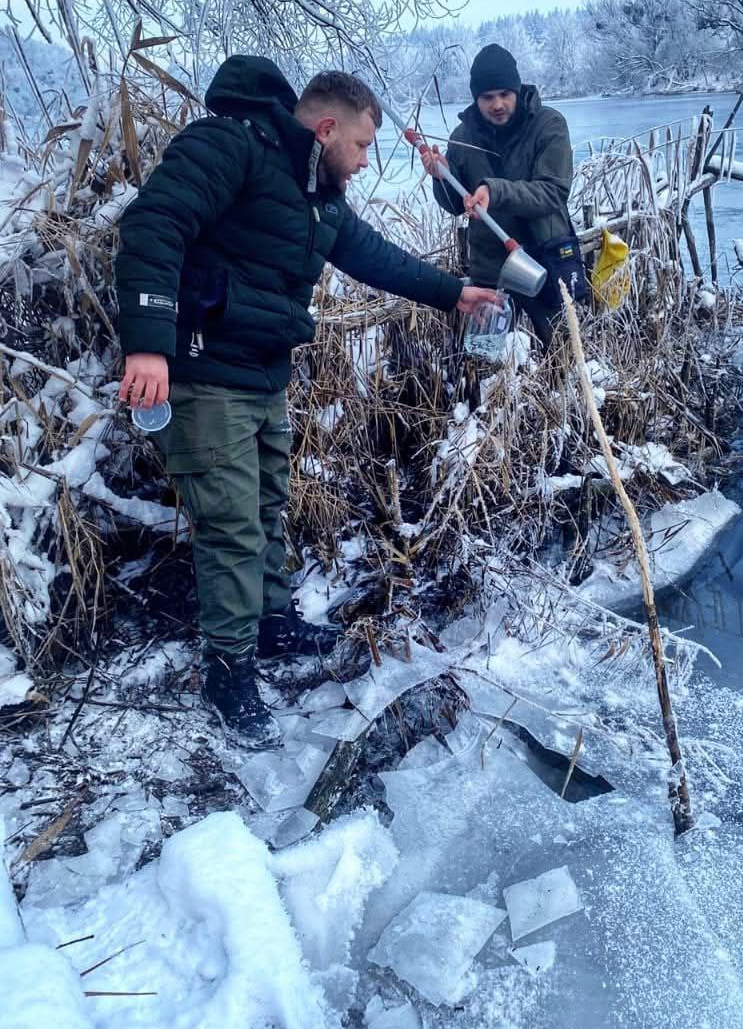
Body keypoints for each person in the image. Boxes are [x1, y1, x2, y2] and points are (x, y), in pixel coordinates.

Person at [115, 58, 495, 749]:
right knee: (229, 524)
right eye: (361, 147)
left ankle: (269, 621)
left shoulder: (315, 190)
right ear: (326, 129)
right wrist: (146, 343)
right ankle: (227, 674)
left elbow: (373, 255)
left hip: (263, 374)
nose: (363, 163)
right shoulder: (230, 145)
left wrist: (453, 292)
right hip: (203, 373)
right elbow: (154, 224)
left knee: (265, 504)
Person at [424, 43, 585, 347]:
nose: (497, 104)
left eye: (504, 94)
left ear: (517, 90)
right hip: (491, 273)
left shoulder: (549, 125)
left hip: (544, 263)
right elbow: (454, 206)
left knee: (559, 357)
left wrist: (493, 191)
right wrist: (442, 177)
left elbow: (554, 192)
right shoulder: (461, 137)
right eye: (487, 97)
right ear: (476, 98)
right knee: (490, 364)